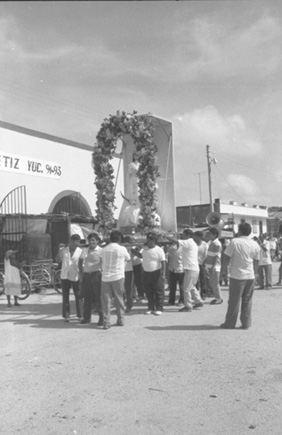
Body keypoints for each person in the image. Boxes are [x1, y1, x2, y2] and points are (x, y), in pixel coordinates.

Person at [220, 222, 260, 329]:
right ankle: (246, 323)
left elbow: (227, 258)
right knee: (247, 301)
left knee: (234, 301)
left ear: (240, 231)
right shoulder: (255, 244)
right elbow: (256, 261)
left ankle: (230, 323)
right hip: (250, 276)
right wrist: (255, 273)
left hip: (237, 276)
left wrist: (223, 272)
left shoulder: (234, 242)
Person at [166, 228, 204, 311]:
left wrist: (165, 236)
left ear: (188, 235)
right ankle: (198, 301)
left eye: (183, 234)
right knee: (191, 287)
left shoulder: (189, 241)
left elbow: (176, 242)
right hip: (193, 269)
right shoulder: (192, 243)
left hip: (191, 269)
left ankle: (188, 306)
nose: (182, 236)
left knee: (186, 288)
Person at [99, 230, 130, 329]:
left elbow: (101, 260)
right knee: (119, 299)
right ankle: (121, 319)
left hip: (105, 277)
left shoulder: (104, 249)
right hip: (118, 277)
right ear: (119, 239)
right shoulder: (122, 249)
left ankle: (106, 322)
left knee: (106, 301)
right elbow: (128, 258)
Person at [132, 232, 166, 315]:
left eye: (150, 239)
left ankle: (159, 308)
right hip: (146, 273)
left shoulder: (159, 250)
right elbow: (141, 256)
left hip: (156, 272)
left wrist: (163, 274)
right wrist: (133, 251)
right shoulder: (144, 248)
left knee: (158, 291)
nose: (148, 241)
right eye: (147, 239)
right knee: (148, 291)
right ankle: (150, 308)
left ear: (154, 240)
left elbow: (163, 262)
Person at [56, 234, 83, 322]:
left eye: (78, 241)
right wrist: (59, 251)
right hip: (65, 275)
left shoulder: (80, 251)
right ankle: (66, 316)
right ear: (71, 241)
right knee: (65, 296)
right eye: (75, 241)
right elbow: (57, 260)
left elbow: (81, 264)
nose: (77, 243)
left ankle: (80, 315)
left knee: (78, 295)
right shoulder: (64, 250)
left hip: (75, 275)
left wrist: (81, 275)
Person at [79, 233, 103, 325]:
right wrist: (81, 272)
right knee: (87, 297)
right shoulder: (85, 250)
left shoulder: (101, 250)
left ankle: (101, 318)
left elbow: (103, 262)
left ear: (97, 241)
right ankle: (86, 318)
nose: (91, 242)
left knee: (98, 297)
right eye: (90, 240)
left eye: (93, 240)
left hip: (97, 275)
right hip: (86, 276)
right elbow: (80, 260)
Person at [205, 227, 223, 305]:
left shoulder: (217, 244)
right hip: (210, 266)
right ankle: (217, 297)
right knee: (212, 283)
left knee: (215, 283)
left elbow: (217, 256)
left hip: (214, 266)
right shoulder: (211, 243)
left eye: (210, 234)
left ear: (214, 234)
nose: (209, 235)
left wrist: (213, 266)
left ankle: (218, 298)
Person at [193, 231, 208, 299]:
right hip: (194, 263)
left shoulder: (205, 245)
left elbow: (206, 255)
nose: (194, 237)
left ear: (200, 237)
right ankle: (196, 295)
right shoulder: (193, 244)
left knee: (203, 279)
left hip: (202, 263)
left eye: (195, 236)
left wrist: (204, 264)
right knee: (195, 280)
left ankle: (203, 294)